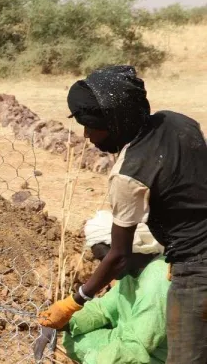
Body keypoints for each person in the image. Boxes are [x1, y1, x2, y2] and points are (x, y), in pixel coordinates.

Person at [39, 65, 207, 363]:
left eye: (92, 125)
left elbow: (118, 255)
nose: (86, 135)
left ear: (117, 119)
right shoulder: (179, 122)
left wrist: (73, 302)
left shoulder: (129, 174)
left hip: (197, 267)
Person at [61, 210, 169, 364]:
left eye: (105, 260)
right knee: (73, 338)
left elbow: (137, 345)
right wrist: (66, 320)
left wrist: (96, 360)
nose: (103, 267)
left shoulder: (158, 277)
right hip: (127, 338)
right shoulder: (133, 272)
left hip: (155, 355)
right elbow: (103, 309)